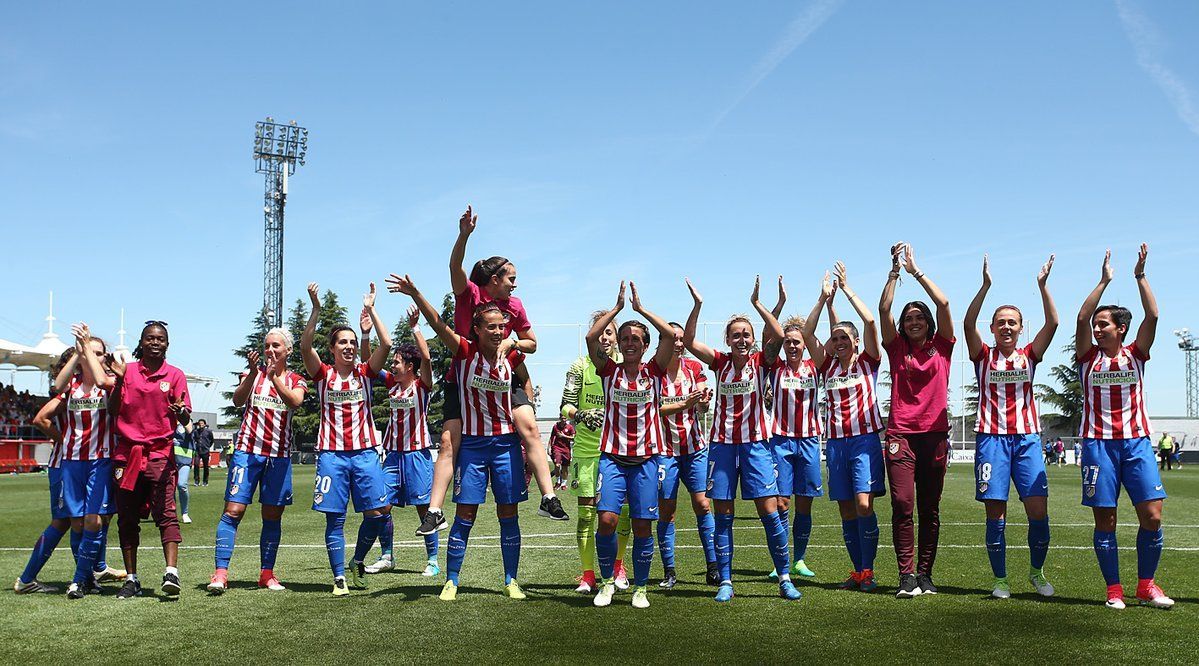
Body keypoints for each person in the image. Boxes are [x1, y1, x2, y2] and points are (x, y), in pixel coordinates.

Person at [416, 206, 567, 537]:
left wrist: (513, 343)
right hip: (464, 380)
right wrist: (464, 235)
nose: (515, 284)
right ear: (495, 280)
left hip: (501, 380)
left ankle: (549, 497)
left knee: (528, 427)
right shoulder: (470, 294)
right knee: (448, 441)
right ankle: (435, 511)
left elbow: (532, 343)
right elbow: (455, 266)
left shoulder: (515, 307)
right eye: (511, 278)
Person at [388, 273, 529, 602]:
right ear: (477, 330)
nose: (497, 332)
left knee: (508, 516)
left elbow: (527, 363)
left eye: (501, 328)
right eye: (490, 327)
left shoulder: (511, 354)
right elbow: (439, 325)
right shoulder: (464, 352)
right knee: (465, 516)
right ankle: (451, 580)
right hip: (474, 449)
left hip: (506, 445)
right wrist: (416, 292)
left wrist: (529, 400)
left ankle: (511, 580)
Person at [683, 276, 802, 603]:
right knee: (722, 514)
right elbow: (690, 340)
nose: (741, 339)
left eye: (746, 334)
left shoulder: (761, 362)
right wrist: (697, 305)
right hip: (722, 447)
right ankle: (725, 581)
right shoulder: (719, 363)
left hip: (757, 447)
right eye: (735, 334)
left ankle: (785, 577)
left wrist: (757, 304)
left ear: (752, 340)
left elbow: (777, 334)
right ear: (728, 339)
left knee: (770, 512)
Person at [1076, 246, 1172, 609]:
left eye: (1105, 324)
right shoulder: (1088, 358)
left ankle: (1146, 585)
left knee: (1152, 515)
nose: (1098, 328)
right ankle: (1113, 589)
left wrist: (1140, 276)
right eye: (1096, 325)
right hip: (1098, 446)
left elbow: (1154, 314)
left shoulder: (1136, 353)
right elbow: (1081, 316)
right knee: (1107, 518)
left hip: (1136, 443)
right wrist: (1103, 282)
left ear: (1121, 329)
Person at [588, 282, 690, 609]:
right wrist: (617, 310)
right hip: (613, 460)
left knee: (643, 525)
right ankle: (606, 583)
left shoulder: (654, 371)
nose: (630, 343)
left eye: (636, 340)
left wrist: (641, 310)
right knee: (606, 521)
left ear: (645, 346)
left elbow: (673, 337)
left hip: (647, 461)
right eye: (625, 339)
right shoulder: (608, 371)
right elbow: (591, 338)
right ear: (618, 344)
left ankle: (641, 588)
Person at [963, 253, 1058, 600]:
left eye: (1012, 322)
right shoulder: (983, 356)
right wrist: (985, 286)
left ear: (1020, 328)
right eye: (1000, 322)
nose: (1006, 326)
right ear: (992, 328)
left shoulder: (1030, 355)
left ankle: (1036, 572)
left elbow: (1054, 323)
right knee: (996, 512)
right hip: (991, 440)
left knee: (1038, 511)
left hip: (1028, 440)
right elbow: (967, 322)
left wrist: (1042, 287)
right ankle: (1000, 580)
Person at [301, 282, 392, 596]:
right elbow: (304, 347)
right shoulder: (323, 374)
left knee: (379, 515)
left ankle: (358, 560)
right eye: (343, 342)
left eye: (353, 342)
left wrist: (371, 310)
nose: (350, 347)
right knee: (335, 519)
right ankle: (339, 577)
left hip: (366, 454)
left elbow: (388, 344)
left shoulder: (366, 372)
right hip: (332, 456)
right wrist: (315, 310)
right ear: (333, 348)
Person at [19, 327, 124, 598]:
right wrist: (80, 353)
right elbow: (47, 405)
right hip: (68, 462)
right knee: (71, 523)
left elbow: (104, 384)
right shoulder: (71, 387)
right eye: (94, 352)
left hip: (100, 459)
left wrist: (87, 351)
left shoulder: (109, 383)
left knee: (96, 520)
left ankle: (90, 573)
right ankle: (83, 575)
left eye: (100, 353)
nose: (96, 356)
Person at [800, 267, 885, 593]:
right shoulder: (827, 365)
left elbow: (871, 322)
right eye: (834, 338)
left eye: (844, 338)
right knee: (847, 508)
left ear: (854, 341)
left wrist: (847, 290)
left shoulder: (869, 361)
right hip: (835, 444)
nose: (838, 343)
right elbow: (808, 334)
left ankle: (869, 571)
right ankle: (858, 572)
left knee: (864, 505)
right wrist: (823, 299)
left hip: (864, 441)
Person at [207, 327, 308, 595]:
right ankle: (220, 573)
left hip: (279, 457)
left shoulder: (297, 379)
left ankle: (266, 574)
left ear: (287, 351)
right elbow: (238, 400)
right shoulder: (253, 375)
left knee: (272, 516)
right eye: (267, 346)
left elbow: (294, 402)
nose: (271, 350)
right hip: (247, 453)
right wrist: (253, 373)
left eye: (276, 346)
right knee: (234, 511)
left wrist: (275, 379)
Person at [879, 242, 954, 599]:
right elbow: (883, 308)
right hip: (901, 435)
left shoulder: (943, 346)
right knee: (903, 504)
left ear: (928, 323)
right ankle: (906, 575)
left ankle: (926, 574)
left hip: (935, 435)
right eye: (908, 319)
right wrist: (894, 273)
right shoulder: (896, 350)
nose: (912, 323)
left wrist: (916, 272)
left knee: (930, 507)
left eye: (918, 318)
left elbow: (944, 304)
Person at [111, 321, 191, 599]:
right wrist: (119, 380)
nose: (155, 342)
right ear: (142, 342)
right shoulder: (128, 372)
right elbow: (112, 410)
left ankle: (171, 573)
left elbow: (185, 416)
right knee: (127, 518)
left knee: (166, 514)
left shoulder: (176, 375)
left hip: (159, 454)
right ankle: (131, 579)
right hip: (127, 455)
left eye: (160, 339)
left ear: (167, 344)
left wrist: (180, 412)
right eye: (150, 338)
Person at [361, 306, 441, 578]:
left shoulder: (421, 386)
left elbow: (427, 359)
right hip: (392, 457)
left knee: (424, 509)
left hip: (418, 455)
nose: (391, 366)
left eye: (396, 362)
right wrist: (366, 331)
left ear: (409, 366)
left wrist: (416, 327)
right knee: (382, 506)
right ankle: (386, 556)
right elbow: (369, 367)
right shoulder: (392, 385)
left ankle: (432, 560)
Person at [561, 311, 635, 593]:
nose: (604, 337)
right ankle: (588, 574)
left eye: (609, 332)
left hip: (620, 452)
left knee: (622, 513)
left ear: (616, 338)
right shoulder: (579, 367)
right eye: (599, 332)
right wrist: (579, 414)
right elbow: (564, 406)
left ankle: (618, 567)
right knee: (586, 515)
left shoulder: (626, 366)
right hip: (587, 452)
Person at [764, 275, 822, 581]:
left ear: (804, 344)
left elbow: (813, 337)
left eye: (796, 342)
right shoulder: (775, 367)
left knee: (805, 504)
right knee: (782, 502)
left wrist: (823, 300)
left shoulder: (816, 367)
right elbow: (768, 338)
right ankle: (780, 560)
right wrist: (778, 304)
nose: (792, 346)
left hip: (810, 441)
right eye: (787, 342)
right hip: (781, 441)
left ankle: (799, 559)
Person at [655, 320, 715, 590]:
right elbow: (650, 410)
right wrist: (682, 403)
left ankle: (713, 567)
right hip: (664, 452)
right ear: (663, 342)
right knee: (667, 511)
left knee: (703, 505)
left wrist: (702, 403)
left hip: (695, 450)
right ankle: (669, 571)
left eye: (681, 339)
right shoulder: (652, 372)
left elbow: (702, 406)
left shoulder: (694, 368)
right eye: (673, 339)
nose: (678, 344)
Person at [173, 423, 195, 524]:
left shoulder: (186, 422)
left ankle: (185, 513)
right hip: (169, 459)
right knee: (169, 488)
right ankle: (171, 513)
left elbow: (189, 430)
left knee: (182, 485)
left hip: (184, 459)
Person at [548, 418, 575, 491]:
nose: (563, 420)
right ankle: (558, 482)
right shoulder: (555, 426)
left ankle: (564, 484)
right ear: (560, 418)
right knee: (557, 465)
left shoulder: (570, 427)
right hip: (557, 448)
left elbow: (574, 438)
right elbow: (551, 437)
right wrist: (549, 448)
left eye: (565, 418)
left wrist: (564, 436)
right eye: (562, 418)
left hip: (566, 449)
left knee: (565, 467)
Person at [193, 419, 213, 486]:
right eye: (199, 423)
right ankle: (196, 481)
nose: (200, 424)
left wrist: (207, 446)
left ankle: (205, 481)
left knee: (205, 466)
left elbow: (211, 440)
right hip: (197, 451)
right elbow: (194, 440)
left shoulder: (209, 431)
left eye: (202, 423)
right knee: (196, 465)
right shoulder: (196, 431)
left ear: (204, 424)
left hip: (205, 451)